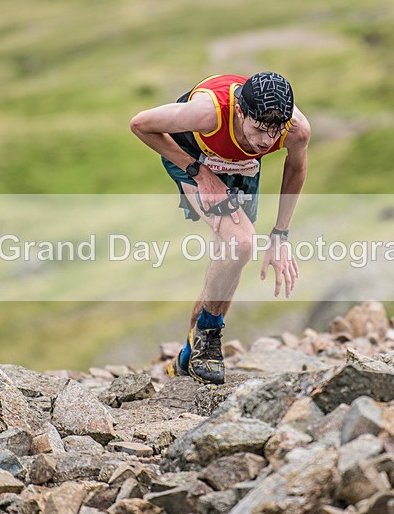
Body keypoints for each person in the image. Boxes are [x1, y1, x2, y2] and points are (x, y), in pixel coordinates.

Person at [129, 72, 311, 385]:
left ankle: (191, 353)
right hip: (190, 155)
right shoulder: (207, 112)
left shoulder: (294, 129)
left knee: (232, 258)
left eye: (274, 131)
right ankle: (209, 337)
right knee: (241, 243)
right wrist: (198, 172)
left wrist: (280, 234)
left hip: (238, 163)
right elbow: (140, 124)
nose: (267, 141)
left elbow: (295, 167)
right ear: (241, 111)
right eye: (259, 128)